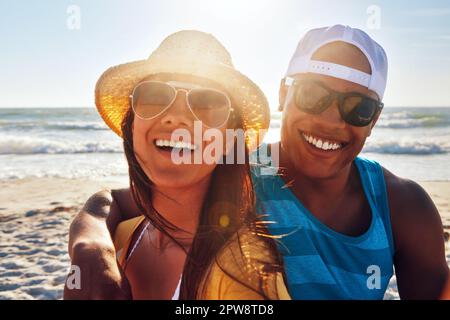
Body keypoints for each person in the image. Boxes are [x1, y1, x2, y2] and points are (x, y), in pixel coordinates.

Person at [67, 25, 449, 300]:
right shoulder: (240, 169)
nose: (331, 121)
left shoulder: (399, 203)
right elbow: (117, 201)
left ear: (375, 120)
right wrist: (91, 249)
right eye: (314, 95)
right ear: (284, 93)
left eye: (358, 108)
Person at [64, 30, 289, 300]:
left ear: (230, 140)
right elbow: (108, 201)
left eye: (208, 103)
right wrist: (89, 246)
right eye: (155, 95)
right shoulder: (123, 235)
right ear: (132, 124)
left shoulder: (243, 273)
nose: (177, 117)